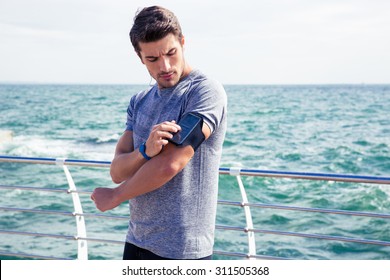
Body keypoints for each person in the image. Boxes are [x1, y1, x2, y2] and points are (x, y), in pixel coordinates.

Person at [91, 6, 227, 260]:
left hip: (182, 250)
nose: (165, 66)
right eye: (153, 59)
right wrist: (144, 151)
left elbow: (171, 163)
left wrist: (115, 197)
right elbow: (117, 171)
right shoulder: (139, 101)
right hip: (136, 240)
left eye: (171, 53)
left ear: (183, 43)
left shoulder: (205, 92)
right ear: (140, 57)